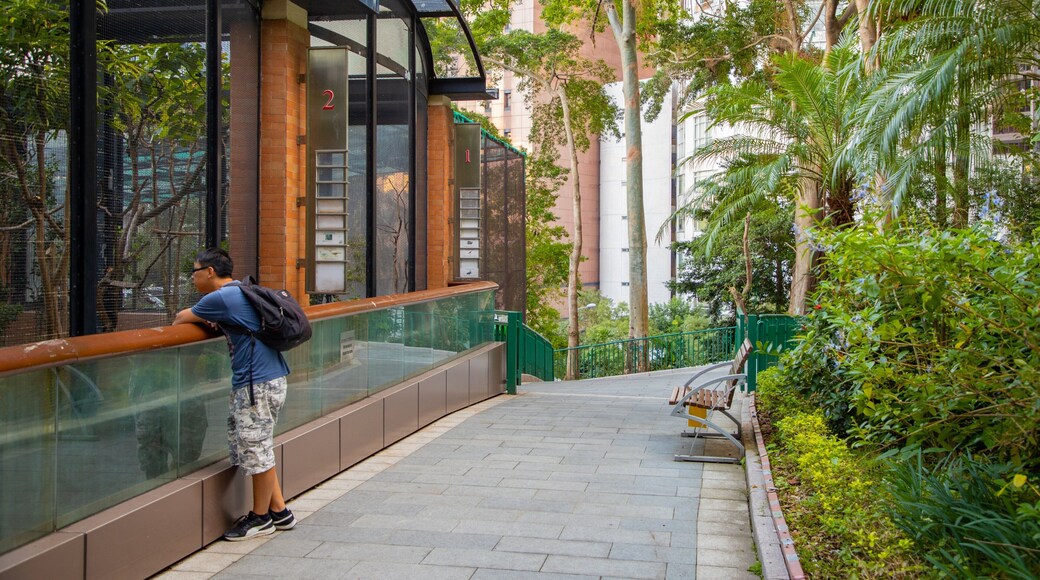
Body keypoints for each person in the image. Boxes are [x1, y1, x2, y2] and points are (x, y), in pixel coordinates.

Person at [174, 248, 296, 541]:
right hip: (268, 379)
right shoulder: (241, 290)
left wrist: (205, 319)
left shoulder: (221, 297)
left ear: (210, 272)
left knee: (255, 449)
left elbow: (179, 318)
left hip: (257, 384)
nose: (193, 278)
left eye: (195, 271)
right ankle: (280, 512)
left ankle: (260, 518)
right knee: (258, 446)